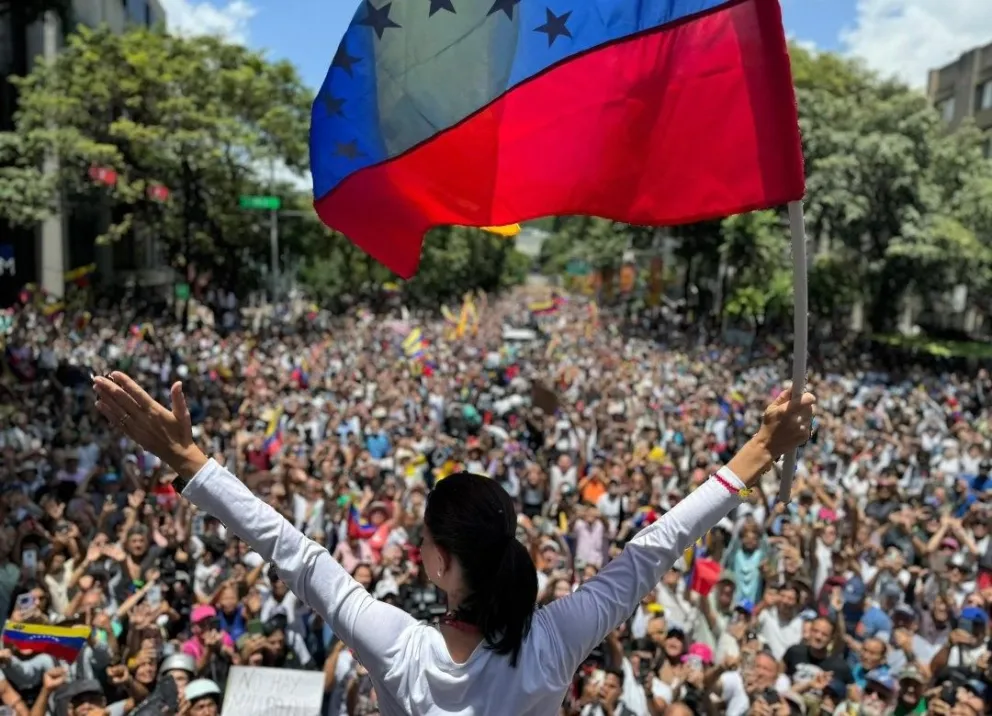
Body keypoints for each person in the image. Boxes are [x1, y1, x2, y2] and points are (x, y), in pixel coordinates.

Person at [92, 371, 815, 716]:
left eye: (422, 540)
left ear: (439, 561)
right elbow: (651, 551)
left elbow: (298, 555)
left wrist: (192, 462)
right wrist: (754, 450)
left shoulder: (399, 651)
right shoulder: (555, 642)